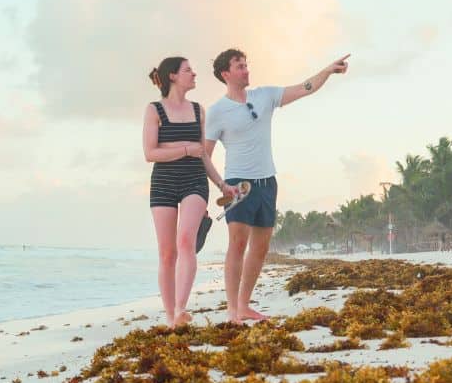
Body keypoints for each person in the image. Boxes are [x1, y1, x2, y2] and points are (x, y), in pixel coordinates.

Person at [204, 48, 350, 323]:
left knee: (260, 247)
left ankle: (245, 305)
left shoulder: (265, 95)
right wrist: (221, 185)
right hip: (238, 184)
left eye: (247, 64)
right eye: (240, 66)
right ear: (226, 74)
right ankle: (233, 310)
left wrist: (328, 70)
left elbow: (305, 88)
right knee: (237, 244)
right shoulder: (216, 112)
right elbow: (205, 155)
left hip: (267, 182)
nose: (246, 69)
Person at [142, 57, 229, 328]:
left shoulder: (197, 110)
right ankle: (170, 317)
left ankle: (181, 308)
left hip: (194, 179)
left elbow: (203, 155)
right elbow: (150, 153)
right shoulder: (154, 109)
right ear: (172, 76)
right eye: (188, 70)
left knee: (185, 241)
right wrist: (184, 150)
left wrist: (221, 184)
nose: (194, 73)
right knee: (167, 253)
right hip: (164, 182)